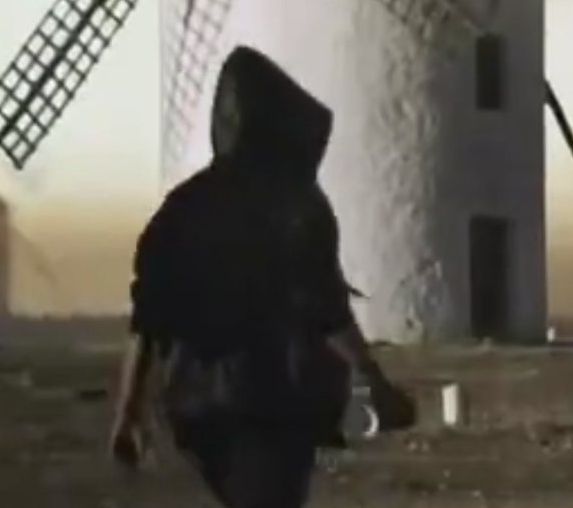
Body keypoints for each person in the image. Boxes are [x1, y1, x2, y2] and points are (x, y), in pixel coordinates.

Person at [108, 45, 415, 508]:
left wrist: (128, 411)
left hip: (196, 403)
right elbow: (325, 306)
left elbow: (148, 317)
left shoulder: (183, 206)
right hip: (274, 400)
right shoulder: (297, 207)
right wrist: (374, 379)